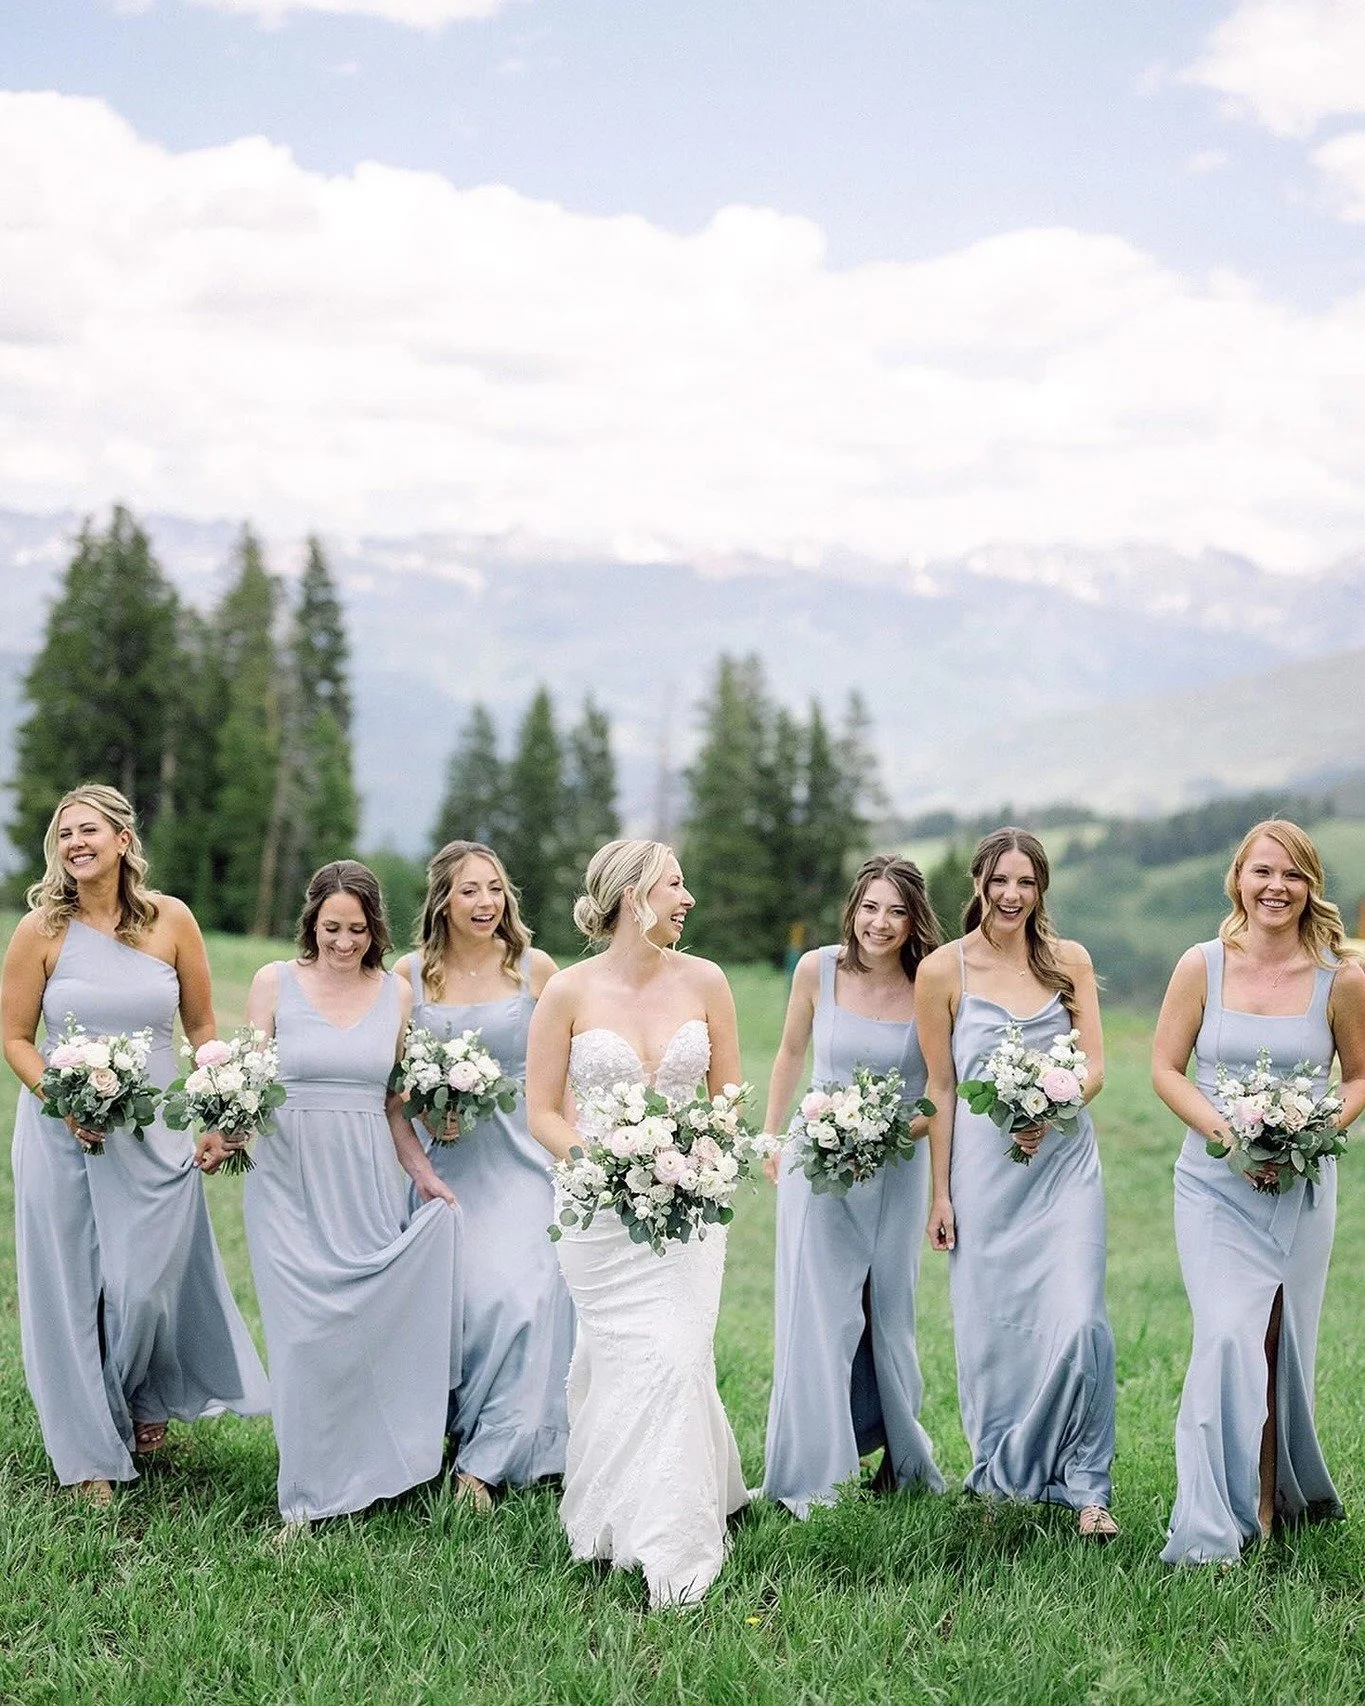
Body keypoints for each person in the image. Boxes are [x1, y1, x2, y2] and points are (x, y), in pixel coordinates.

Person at [3, 784, 269, 1505]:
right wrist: (60, 1102)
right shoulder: (40, 932)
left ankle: (140, 1396)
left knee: (143, 1287)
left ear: (123, 838)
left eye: (88, 830)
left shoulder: (172, 922)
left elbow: (204, 1027)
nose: (74, 844)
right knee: (69, 1290)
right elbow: (15, 1038)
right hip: (64, 1133)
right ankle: (90, 1448)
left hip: (154, 1135)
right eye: (63, 835)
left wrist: (223, 1102)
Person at [525, 839, 747, 1608]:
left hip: (689, 1208)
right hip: (598, 1217)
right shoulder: (567, 991)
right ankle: (613, 1518)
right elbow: (543, 1112)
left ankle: (676, 1548)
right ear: (630, 896)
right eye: (674, 884)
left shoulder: (708, 981)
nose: (687, 898)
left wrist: (692, 1160)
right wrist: (605, 1165)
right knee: (624, 1361)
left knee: (679, 1355)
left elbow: (727, 1102)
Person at [1152, 819, 1365, 1565]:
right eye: (1262, 872)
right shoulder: (1200, 965)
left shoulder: (1340, 977)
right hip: (1213, 1184)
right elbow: (1166, 1069)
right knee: (1224, 1338)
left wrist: (1307, 1135)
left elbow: (1358, 1077)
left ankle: (1270, 1500)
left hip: (1301, 1191)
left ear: (1310, 887)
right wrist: (1228, 1136)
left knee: (1278, 1346)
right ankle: (1211, 1521)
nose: (1276, 888)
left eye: (1293, 875)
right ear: (1237, 877)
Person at [238, 860, 459, 1531]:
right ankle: (304, 1496)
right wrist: (223, 1132)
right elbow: (247, 1081)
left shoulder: (394, 994)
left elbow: (393, 1106)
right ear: (312, 922)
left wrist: (423, 1172)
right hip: (286, 1179)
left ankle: (370, 1469)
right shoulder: (273, 982)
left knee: (359, 1326)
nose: (343, 942)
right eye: (331, 927)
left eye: (357, 929)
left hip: (364, 1175)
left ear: (375, 929)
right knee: (302, 1337)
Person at [916, 827, 1118, 1539]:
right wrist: (939, 1194)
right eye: (999, 881)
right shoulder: (943, 971)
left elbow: (1093, 1065)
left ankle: (1087, 1487)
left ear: (1040, 891)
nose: (1011, 895)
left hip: (1064, 1167)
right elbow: (939, 1090)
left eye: (1025, 883)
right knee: (994, 1331)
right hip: (982, 1175)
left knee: (1081, 1319)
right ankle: (1003, 1473)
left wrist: (1051, 1103)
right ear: (977, 884)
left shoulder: (1068, 961)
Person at [761, 855, 945, 1515]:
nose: (880, 922)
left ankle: (898, 1456)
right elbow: (788, 1052)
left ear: (912, 919)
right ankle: (818, 1470)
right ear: (852, 909)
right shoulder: (817, 969)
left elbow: (938, 1096)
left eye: (896, 911)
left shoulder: (930, 982)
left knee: (888, 1316)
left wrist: (888, 1138)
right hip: (818, 1169)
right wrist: (772, 1135)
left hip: (896, 1169)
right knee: (821, 1317)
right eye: (870, 907)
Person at [394, 840, 571, 1511]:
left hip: (523, 1158)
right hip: (443, 1161)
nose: (485, 902)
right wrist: (423, 1104)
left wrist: (572, 1156)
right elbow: (389, 1073)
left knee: (519, 1299)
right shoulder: (409, 976)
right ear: (443, 898)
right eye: (469, 890)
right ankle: (445, 1434)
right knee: (455, 1306)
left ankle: (486, 1464)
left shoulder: (535, 970)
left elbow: (564, 1071)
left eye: (494, 888)